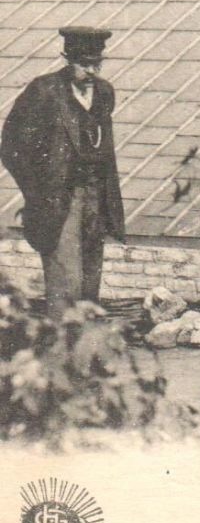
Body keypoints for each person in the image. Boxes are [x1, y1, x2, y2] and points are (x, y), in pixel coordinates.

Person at [2, 27, 126, 319]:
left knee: (90, 274)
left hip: (96, 193)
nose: (92, 71)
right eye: (84, 63)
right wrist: (37, 193)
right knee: (64, 276)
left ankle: (86, 350)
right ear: (67, 58)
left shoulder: (105, 92)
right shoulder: (44, 91)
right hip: (60, 197)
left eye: (97, 63)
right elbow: (11, 146)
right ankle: (62, 345)